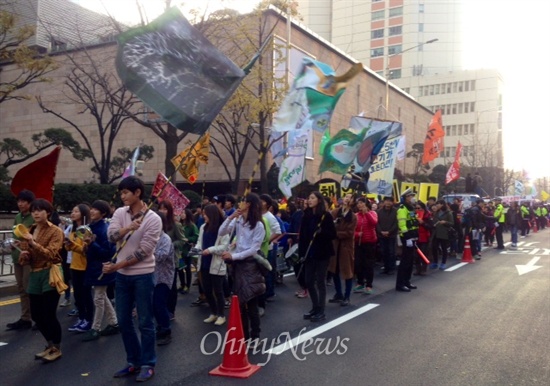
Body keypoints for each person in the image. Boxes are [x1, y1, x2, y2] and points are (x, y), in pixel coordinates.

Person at [102, 176, 162, 382]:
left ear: (137, 193)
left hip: (143, 276)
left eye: (126, 192)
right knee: (124, 321)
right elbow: (110, 236)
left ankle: (148, 363)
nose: (122, 196)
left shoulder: (154, 218)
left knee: (145, 321)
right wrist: (128, 227)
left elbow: (145, 251)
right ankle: (133, 361)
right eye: (121, 193)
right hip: (122, 278)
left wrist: (116, 266)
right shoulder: (120, 213)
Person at [18, 198, 65, 362]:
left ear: (48, 212)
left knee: (49, 313)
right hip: (35, 274)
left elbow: (52, 254)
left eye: (40, 210)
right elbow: (26, 256)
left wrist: (33, 243)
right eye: (33, 210)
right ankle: (49, 344)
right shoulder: (30, 230)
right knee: (37, 315)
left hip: (50, 272)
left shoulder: (56, 231)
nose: (36, 213)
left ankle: (57, 347)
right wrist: (24, 255)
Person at [219, 193, 266, 342]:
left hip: (250, 265)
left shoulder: (258, 225)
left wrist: (234, 256)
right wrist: (230, 217)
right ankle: (244, 334)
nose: (240, 203)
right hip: (238, 265)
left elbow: (253, 249)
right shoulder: (238, 220)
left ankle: (255, 336)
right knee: (240, 303)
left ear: (249, 204)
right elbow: (221, 232)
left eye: (243, 200)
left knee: (251, 301)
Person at [82, 200, 118, 342]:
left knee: (98, 297)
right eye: (92, 208)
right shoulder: (90, 227)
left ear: (103, 213)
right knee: (102, 296)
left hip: (103, 267)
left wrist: (92, 243)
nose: (92, 211)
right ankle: (114, 322)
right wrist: (86, 246)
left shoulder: (105, 229)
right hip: (93, 266)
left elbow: (107, 252)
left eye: (96, 209)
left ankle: (95, 328)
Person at [298, 191, 337, 322]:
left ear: (319, 200)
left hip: (322, 253)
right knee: (308, 281)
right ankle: (315, 306)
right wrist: (301, 253)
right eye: (309, 197)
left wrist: (322, 232)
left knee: (320, 281)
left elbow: (332, 234)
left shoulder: (326, 216)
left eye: (312, 198)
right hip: (309, 253)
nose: (309, 200)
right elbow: (302, 236)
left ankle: (321, 310)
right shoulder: (306, 216)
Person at [6, 189, 35, 331]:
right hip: (17, 256)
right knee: (21, 288)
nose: (20, 204)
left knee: (29, 287)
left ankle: (37, 317)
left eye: (24, 201)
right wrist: (12, 244)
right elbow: (14, 234)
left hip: (30, 257)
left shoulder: (34, 217)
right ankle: (25, 318)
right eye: (19, 201)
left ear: (30, 203)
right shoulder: (17, 217)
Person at [198, 204, 230, 326]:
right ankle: (213, 312)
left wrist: (210, 250)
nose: (203, 216)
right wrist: (196, 250)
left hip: (216, 263)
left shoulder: (222, 229)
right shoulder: (202, 227)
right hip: (204, 262)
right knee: (207, 290)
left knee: (218, 291)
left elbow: (224, 247)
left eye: (205, 214)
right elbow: (199, 242)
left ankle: (221, 315)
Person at [65, 204, 93, 333]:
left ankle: (89, 320)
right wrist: (67, 245)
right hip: (74, 265)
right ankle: (81, 318)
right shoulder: (72, 228)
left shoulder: (86, 229)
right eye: (72, 211)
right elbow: (70, 247)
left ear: (83, 213)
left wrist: (73, 245)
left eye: (76, 211)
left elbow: (84, 250)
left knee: (86, 295)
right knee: (77, 295)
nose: (73, 213)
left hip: (85, 266)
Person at [328, 193, 357, 306]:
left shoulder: (353, 216)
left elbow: (349, 233)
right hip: (335, 245)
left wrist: (335, 233)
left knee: (347, 271)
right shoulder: (336, 212)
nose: (347, 199)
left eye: (350, 197)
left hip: (346, 247)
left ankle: (347, 296)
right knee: (334, 270)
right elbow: (329, 224)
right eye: (346, 197)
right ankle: (338, 293)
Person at [152, 211, 175, 346]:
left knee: (160, 304)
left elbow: (161, 256)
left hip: (164, 277)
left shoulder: (165, 238)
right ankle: (160, 327)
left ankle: (166, 331)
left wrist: (147, 250)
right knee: (154, 305)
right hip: (152, 277)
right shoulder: (149, 237)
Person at [396, 189, 420, 292]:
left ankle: (407, 281)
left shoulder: (410, 208)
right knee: (405, 262)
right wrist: (407, 238)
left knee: (410, 261)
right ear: (405, 198)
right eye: (410, 196)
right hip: (406, 237)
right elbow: (402, 225)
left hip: (412, 236)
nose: (412, 198)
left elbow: (413, 223)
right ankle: (400, 284)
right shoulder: (402, 209)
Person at [353, 197, 378, 294]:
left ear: (366, 204)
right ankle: (360, 283)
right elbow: (352, 230)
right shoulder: (355, 216)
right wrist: (357, 234)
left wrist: (366, 213)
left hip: (370, 242)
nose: (359, 205)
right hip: (359, 242)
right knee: (358, 263)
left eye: (361, 203)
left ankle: (369, 285)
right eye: (358, 203)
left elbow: (374, 223)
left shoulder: (373, 213)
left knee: (369, 264)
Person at [376, 196, 398, 275]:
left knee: (391, 252)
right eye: (386, 201)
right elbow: (377, 223)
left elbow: (396, 223)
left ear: (392, 202)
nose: (388, 203)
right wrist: (381, 231)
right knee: (383, 251)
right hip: (381, 235)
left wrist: (389, 231)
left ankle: (392, 268)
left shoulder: (396, 211)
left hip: (391, 235)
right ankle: (385, 267)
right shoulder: (379, 211)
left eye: (390, 201)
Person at [430, 200, 454, 270]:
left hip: (444, 233)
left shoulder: (448, 213)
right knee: (434, 248)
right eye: (436, 204)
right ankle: (435, 262)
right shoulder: (436, 212)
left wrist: (445, 222)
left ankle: (443, 263)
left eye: (438, 204)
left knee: (444, 249)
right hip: (436, 233)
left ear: (442, 204)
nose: (437, 205)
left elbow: (452, 223)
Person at [414, 201, 432, 275]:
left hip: (425, 237)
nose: (417, 209)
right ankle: (418, 269)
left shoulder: (428, 215)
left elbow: (430, 227)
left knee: (424, 253)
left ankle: (424, 269)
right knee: (416, 255)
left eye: (419, 208)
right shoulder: (414, 214)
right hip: (416, 236)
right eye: (416, 208)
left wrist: (423, 223)